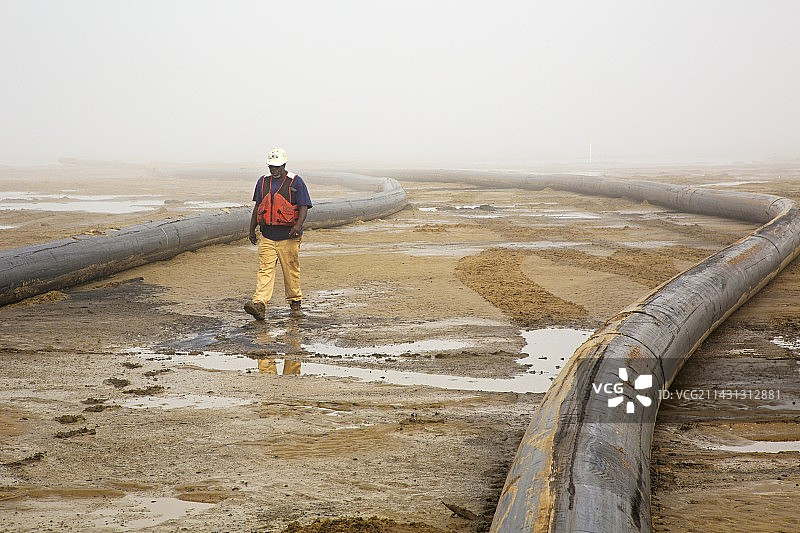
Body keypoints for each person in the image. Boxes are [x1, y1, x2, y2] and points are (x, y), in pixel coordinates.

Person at [244, 147, 312, 320]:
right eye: (271, 167)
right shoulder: (262, 182)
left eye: (277, 167)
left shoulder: (296, 182)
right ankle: (259, 304)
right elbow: (258, 207)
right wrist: (252, 229)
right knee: (265, 270)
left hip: (288, 237)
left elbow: (304, 206)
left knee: (290, 270)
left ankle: (295, 302)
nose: (274, 170)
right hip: (267, 236)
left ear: (284, 165)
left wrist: (297, 226)